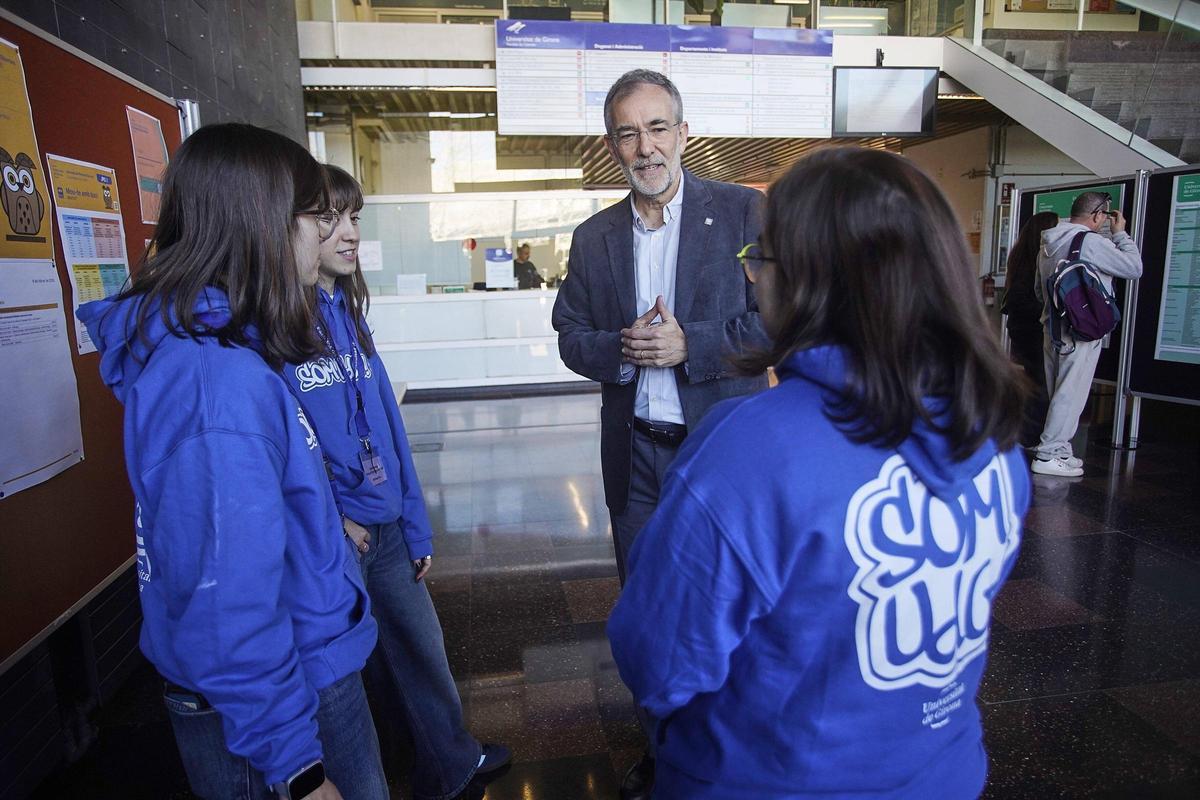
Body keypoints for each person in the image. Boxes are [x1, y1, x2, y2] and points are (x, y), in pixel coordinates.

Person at [607, 146, 1030, 800]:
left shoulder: (749, 452)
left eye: (763, 258)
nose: (754, 278)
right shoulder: (995, 435)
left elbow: (658, 660)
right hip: (944, 772)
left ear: (816, 280)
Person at [77, 124, 386, 800]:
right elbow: (228, 610)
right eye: (314, 214)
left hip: (290, 675)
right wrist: (300, 772)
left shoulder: (225, 355)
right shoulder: (216, 384)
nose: (327, 233)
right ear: (264, 223)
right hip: (277, 708)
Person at [552, 69, 768, 797]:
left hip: (722, 453)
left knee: (733, 611)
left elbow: (779, 321)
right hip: (638, 454)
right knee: (648, 621)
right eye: (627, 132)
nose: (644, 147)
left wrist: (692, 345)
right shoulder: (594, 237)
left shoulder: (744, 214)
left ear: (683, 132)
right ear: (612, 144)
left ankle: (733, 754)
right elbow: (569, 336)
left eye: (657, 127)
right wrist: (619, 345)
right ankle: (666, 755)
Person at [282, 165, 510, 800]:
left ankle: (450, 761)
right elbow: (286, 450)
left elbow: (385, 426)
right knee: (351, 677)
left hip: (382, 524)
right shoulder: (276, 322)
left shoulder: (347, 310)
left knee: (421, 647)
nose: (349, 233)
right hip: (340, 534)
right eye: (330, 219)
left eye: (355, 217)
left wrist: (414, 521)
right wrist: (337, 521)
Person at [1032, 191, 1142, 477]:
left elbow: (1037, 289)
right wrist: (1120, 235)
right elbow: (1133, 268)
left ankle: (1061, 449)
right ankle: (1048, 454)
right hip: (1079, 331)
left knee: (1060, 392)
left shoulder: (1048, 242)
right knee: (1070, 394)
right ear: (1097, 216)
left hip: (1052, 328)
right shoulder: (1089, 242)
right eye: (1105, 216)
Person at [1002, 211, 1057, 447]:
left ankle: (1026, 434)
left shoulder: (1019, 255)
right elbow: (1025, 298)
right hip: (1032, 330)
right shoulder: (1037, 260)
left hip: (1020, 329)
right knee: (1040, 385)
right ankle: (1031, 436)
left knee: (1033, 382)